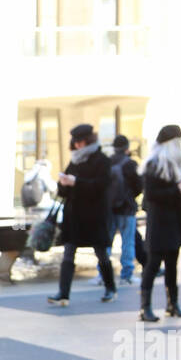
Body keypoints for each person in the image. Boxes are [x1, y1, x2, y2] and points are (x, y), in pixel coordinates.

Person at [48, 123, 117, 307]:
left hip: (94, 215)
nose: (77, 146)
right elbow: (64, 190)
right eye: (75, 142)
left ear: (88, 140)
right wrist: (63, 183)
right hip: (74, 216)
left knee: (101, 253)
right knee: (68, 253)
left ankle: (110, 288)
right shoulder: (74, 160)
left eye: (80, 142)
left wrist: (76, 182)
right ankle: (63, 293)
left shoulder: (101, 160)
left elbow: (101, 185)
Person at [139, 123, 181, 322]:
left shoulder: (177, 164)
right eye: (178, 141)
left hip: (175, 221)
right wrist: (177, 191)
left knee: (173, 263)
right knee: (153, 264)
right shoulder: (153, 164)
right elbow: (150, 196)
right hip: (159, 222)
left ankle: (172, 304)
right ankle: (145, 307)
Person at [102, 135, 142, 287]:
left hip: (109, 209)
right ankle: (126, 274)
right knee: (127, 242)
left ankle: (103, 274)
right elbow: (139, 186)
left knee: (106, 243)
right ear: (127, 147)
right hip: (126, 208)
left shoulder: (107, 162)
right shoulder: (130, 164)